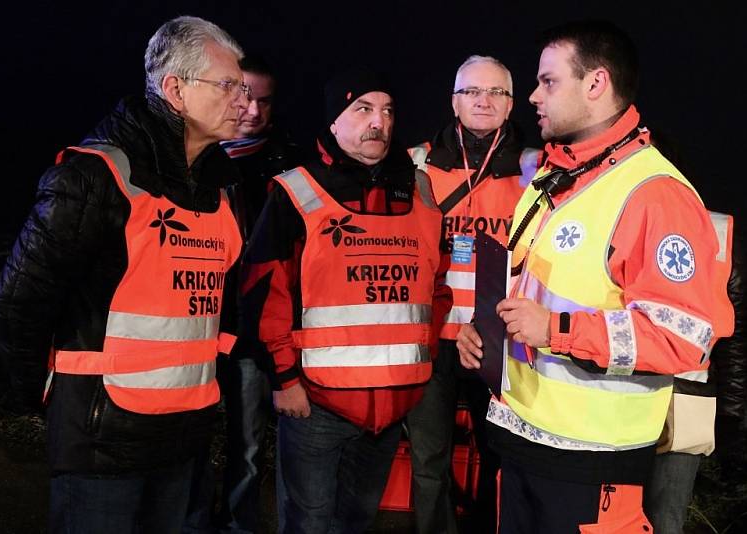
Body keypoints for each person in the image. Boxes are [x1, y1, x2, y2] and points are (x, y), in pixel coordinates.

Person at [456, 19, 733, 533]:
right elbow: (529, 290)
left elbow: (683, 337)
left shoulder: (654, 193)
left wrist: (555, 330)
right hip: (518, 440)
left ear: (596, 84)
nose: (534, 96)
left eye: (548, 81)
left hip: (592, 462)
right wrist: (485, 332)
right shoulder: (552, 175)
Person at [0, 16, 247, 534]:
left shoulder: (220, 189)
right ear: (175, 89)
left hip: (185, 440)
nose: (244, 99)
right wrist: (40, 396)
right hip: (101, 446)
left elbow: (220, 309)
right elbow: (16, 302)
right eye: (228, 85)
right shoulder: (92, 178)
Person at [242, 67, 449, 533]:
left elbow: (436, 286)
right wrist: (283, 378)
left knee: (356, 520)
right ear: (334, 121)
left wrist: (425, 356)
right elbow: (265, 291)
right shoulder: (297, 190)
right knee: (308, 522)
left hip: (394, 402)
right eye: (363, 109)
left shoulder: (418, 190)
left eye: (388, 111)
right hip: (316, 402)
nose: (379, 122)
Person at [406, 55, 538, 534]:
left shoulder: (536, 168)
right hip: (433, 334)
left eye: (496, 92)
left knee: (500, 453)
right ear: (454, 101)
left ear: (511, 102)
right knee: (429, 458)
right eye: (472, 92)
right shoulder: (416, 164)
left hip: (498, 335)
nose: (484, 101)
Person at [216, 55, 305, 533]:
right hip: (208, 325)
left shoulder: (291, 162)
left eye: (264, 100)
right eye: (244, 95)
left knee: (254, 445)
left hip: (264, 330)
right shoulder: (197, 160)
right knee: (209, 442)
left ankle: (241, 525)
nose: (253, 110)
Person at [645, 213, 747, 533]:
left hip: (679, 401)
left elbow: (735, 338)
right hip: (668, 398)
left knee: (663, 519)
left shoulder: (718, 235)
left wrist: (730, 414)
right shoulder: (718, 234)